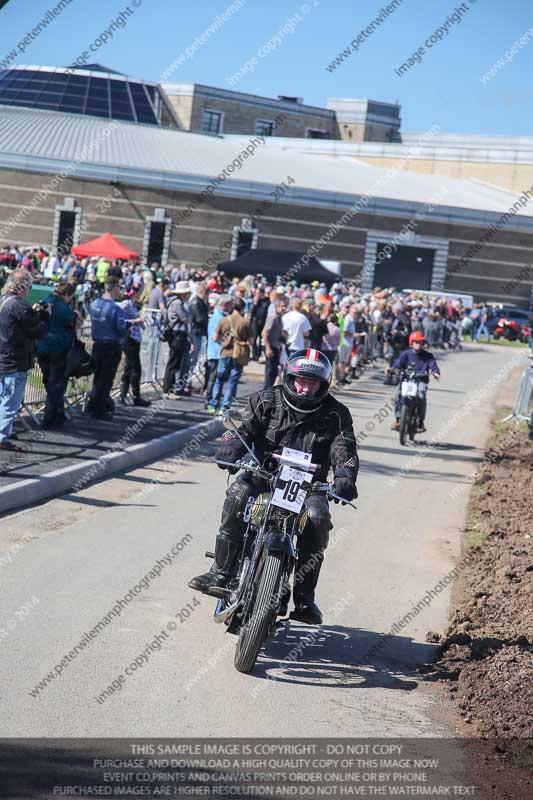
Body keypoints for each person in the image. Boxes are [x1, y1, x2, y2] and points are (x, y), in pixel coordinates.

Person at [189, 349, 359, 625]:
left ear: (323, 385)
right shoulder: (267, 399)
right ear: (290, 378)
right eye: (301, 380)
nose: (306, 388)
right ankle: (220, 572)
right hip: (262, 474)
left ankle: (305, 599)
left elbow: (344, 448)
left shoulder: (336, 413)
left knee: (317, 520)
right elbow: (242, 429)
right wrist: (230, 447)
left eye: (313, 383)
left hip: (309, 485)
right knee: (236, 496)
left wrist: (345, 476)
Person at [0, 270, 50, 451]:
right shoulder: (19, 305)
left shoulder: (4, 300)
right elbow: (38, 331)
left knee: (2, 398)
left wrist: (33, 311)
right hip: (15, 361)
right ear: (22, 286)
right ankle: (2, 438)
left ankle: (3, 434)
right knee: (10, 402)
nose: (29, 290)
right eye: (29, 286)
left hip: (3, 356)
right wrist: (45, 316)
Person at [35, 281, 78, 428]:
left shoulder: (45, 300)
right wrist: (75, 314)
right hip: (58, 349)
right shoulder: (63, 308)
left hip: (42, 347)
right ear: (66, 295)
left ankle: (58, 415)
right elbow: (74, 322)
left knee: (49, 381)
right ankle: (48, 419)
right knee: (57, 384)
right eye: (70, 297)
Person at [88, 276, 127, 420]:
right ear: (115, 288)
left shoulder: (95, 303)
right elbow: (121, 329)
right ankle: (99, 410)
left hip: (97, 344)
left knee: (97, 377)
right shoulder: (116, 308)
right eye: (120, 287)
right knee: (106, 379)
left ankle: (93, 404)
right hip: (111, 345)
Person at [389, 331, 440, 433]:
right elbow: (398, 364)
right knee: (397, 394)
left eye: (420, 342)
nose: (418, 344)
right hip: (406, 380)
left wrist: (435, 372)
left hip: (421, 380)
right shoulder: (405, 354)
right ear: (411, 343)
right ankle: (399, 419)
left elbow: (433, 365)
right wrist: (392, 369)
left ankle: (420, 421)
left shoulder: (428, 355)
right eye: (416, 342)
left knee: (421, 395)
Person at [207, 298, 251, 414]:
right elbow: (251, 339)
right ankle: (225, 407)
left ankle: (213, 404)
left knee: (220, 379)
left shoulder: (224, 320)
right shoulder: (245, 322)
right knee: (232, 380)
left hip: (225, 353)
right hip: (239, 354)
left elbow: (215, 338)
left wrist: (225, 341)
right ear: (242, 308)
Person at [118, 288, 151, 407]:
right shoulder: (125, 303)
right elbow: (119, 318)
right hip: (129, 338)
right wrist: (135, 321)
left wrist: (142, 321)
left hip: (135, 338)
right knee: (135, 368)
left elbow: (142, 324)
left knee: (129, 367)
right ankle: (135, 396)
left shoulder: (133, 305)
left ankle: (124, 395)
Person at [162, 281, 191, 398]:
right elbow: (185, 319)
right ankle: (167, 389)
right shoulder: (178, 303)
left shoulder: (173, 301)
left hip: (175, 334)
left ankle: (169, 389)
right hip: (177, 334)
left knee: (174, 362)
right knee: (174, 362)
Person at [187, 281, 209, 392]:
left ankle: (188, 382)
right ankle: (187, 383)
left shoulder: (200, 303)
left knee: (193, 360)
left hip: (198, 332)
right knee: (192, 359)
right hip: (196, 332)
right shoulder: (197, 303)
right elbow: (200, 319)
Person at [262, 298, 287, 389]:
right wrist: (268, 348)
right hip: (271, 346)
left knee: (275, 371)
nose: (284, 308)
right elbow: (265, 333)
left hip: (276, 346)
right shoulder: (272, 317)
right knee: (269, 372)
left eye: (285, 306)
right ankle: (265, 393)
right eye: (282, 306)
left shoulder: (279, 318)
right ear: (276, 307)